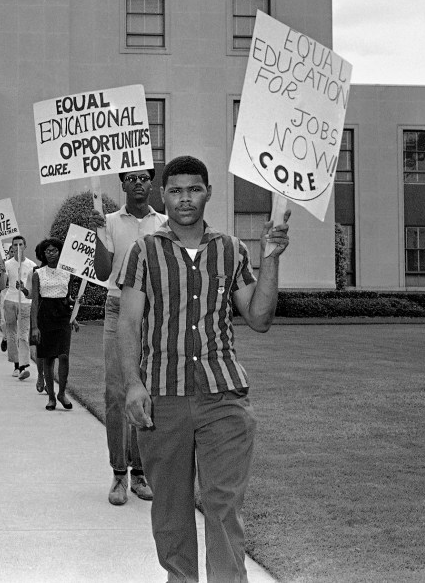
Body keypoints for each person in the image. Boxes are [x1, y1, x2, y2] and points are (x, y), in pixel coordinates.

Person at [117, 156, 290, 583]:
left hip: (224, 396)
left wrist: (271, 257)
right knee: (171, 511)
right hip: (164, 398)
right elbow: (128, 322)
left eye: (194, 189)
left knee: (223, 506)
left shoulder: (232, 250)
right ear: (164, 196)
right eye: (175, 191)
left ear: (208, 192)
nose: (185, 199)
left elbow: (259, 317)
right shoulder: (145, 252)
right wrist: (133, 384)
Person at [89, 168, 166, 506]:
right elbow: (103, 272)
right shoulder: (108, 221)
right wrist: (96, 232)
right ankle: (119, 474)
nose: (137, 182)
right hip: (117, 307)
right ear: (122, 184)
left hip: (153, 311)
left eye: (143, 178)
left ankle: (140, 472)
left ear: (152, 184)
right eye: (130, 178)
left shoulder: (164, 223)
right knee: (116, 393)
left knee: (148, 391)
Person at [29, 238, 79, 410]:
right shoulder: (38, 273)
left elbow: (69, 298)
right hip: (45, 315)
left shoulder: (68, 273)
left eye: (54, 250)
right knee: (48, 357)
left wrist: (75, 314)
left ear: (60, 252)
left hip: (63, 316)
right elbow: (35, 301)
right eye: (47, 251)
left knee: (64, 355)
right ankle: (51, 397)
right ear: (43, 254)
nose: (51, 254)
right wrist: (34, 326)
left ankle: (62, 393)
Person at [0, 236, 35, 380]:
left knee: (23, 334)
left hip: (25, 302)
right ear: (11, 247)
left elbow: (33, 288)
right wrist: (1, 272)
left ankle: (24, 365)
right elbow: (1, 286)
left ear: (25, 246)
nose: (17, 247)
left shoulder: (32, 265)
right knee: (11, 333)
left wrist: (25, 290)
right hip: (10, 301)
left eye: (20, 244)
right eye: (15, 245)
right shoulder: (7, 264)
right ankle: (16, 365)